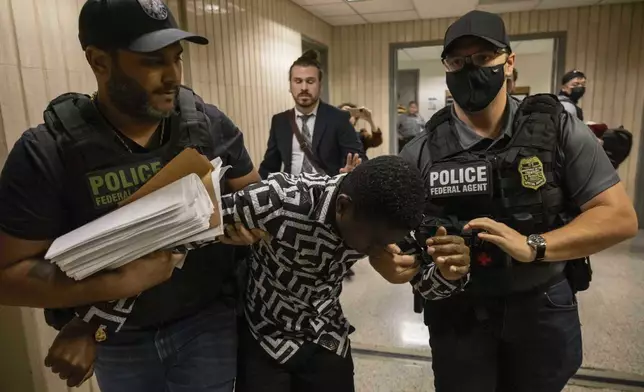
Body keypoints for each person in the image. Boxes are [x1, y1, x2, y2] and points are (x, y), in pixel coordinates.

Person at [0, 0, 263, 390]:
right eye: (154, 61)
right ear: (99, 62)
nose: (173, 75)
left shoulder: (208, 124)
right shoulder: (47, 152)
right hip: (119, 342)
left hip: (207, 324)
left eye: (177, 58)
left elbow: (256, 198)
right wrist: (111, 290)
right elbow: (7, 277)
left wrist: (251, 228)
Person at [398, 10, 638, 392]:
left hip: (540, 304)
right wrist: (399, 261)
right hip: (459, 314)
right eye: (457, 61)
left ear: (509, 63)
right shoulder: (421, 151)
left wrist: (534, 245)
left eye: (483, 58)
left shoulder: (557, 128)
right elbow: (395, 241)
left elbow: (619, 216)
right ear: (446, 67)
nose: (469, 69)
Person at [229, 155, 471, 392]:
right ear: (343, 206)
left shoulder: (386, 222)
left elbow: (425, 285)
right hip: (264, 333)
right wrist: (230, 238)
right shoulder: (277, 199)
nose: (381, 251)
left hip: (324, 331)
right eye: (375, 243)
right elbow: (198, 227)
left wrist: (448, 275)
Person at [258, 50, 365, 179]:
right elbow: (269, 166)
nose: (304, 88)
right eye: (298, 81)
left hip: (328, 193)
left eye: (310, 81)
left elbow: (359, 160)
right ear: (290, 86)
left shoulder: (338, 118)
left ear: (320, 86)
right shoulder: (280, 121)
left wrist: (350, 172)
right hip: (291, 194)